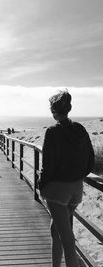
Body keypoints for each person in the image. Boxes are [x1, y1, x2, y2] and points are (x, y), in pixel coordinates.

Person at [39, 90, 95, 267]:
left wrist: (42, 185)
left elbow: (47, 165)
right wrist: (76, 177)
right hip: (76, 191)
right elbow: (90, 162)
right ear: (68, 109)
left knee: (68, 242)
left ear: (53, 111)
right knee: (56, 230)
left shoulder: (52, 132)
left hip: (57, 193)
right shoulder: (80, 129)